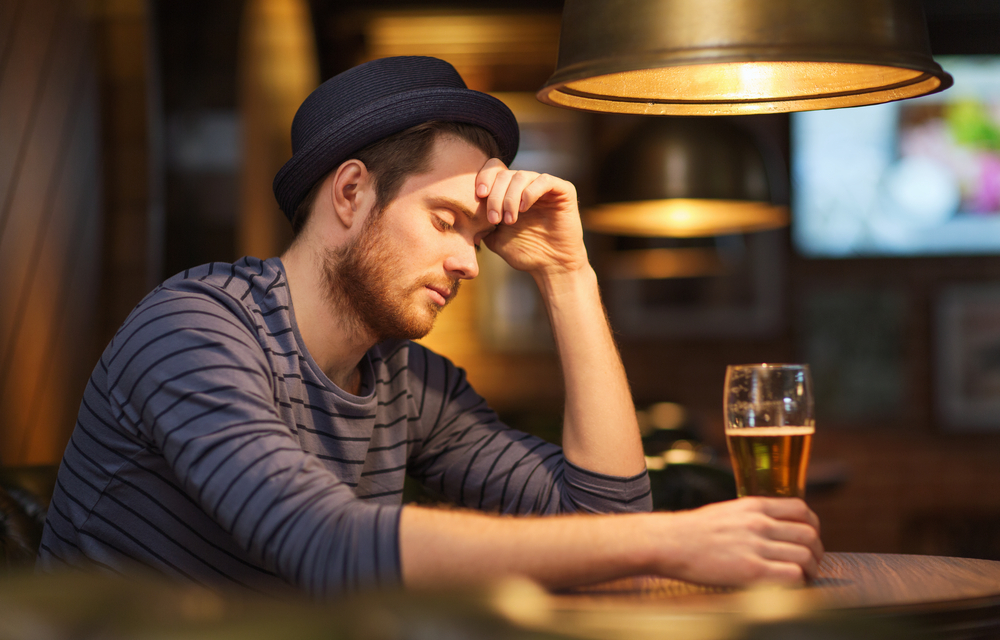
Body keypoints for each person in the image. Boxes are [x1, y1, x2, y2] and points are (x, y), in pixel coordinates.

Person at [38, 56, 823, 597]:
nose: (471, 264)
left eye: (479, 237)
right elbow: (330, 546)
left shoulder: (408, 385)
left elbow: (606, 517)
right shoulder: (192, 330)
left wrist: (568, 277)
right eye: (447, 220)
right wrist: (675, 543)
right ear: (350, 193)